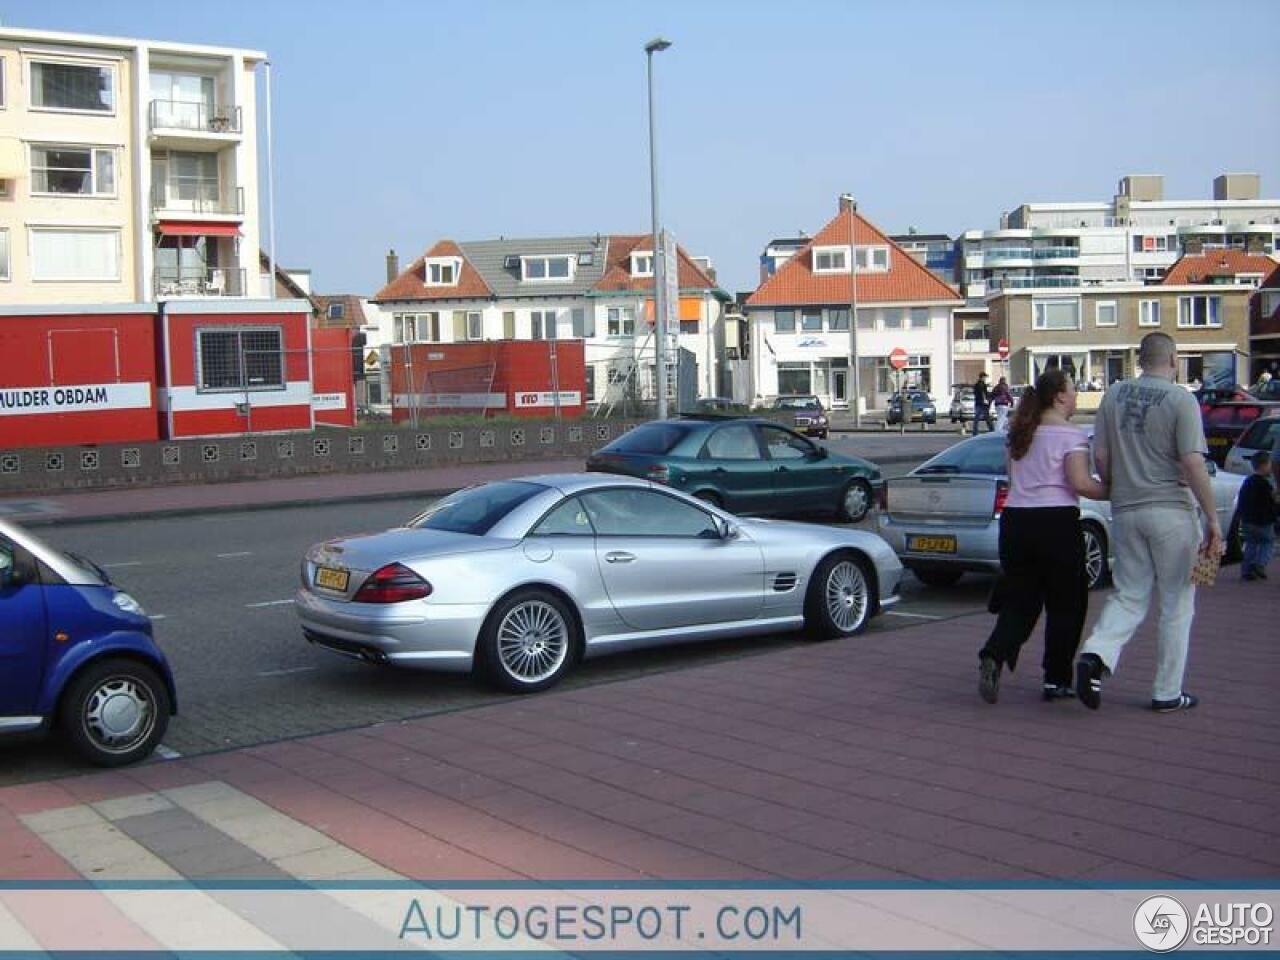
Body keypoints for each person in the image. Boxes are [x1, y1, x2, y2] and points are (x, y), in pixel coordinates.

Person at [1075, 332, 1223, 714]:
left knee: (1129, 594)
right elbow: (1192, 462)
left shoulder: (1114, 395)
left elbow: (1102, 456)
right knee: (1177, 602)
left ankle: (1095, 654)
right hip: (1171, 510)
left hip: (1126, 511)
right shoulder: (1180, 399)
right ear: (1173, 358)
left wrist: (1117, 488)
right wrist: (1212, 519)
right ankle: (1167, 691)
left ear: (1140, 359)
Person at [978, 370, 1108, 704]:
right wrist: (1113, 490)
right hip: (1056, 523)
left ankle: (994, 653)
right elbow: (1080, 483)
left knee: (1021, 599)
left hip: (1016, 521)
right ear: (1060, 397)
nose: (1077, 396)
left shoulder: (1019, 432)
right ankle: (1056, 679)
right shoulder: (1071, 435)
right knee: (1067, 603)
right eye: (1073, 390)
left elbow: (1012, 477)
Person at [1239, 449, 1277, 581]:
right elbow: (1270, 503)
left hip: (1248, 521)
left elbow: (1241, 501)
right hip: (1264, 521)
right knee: (1268, 542)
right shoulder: (1265, 484)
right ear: (1265, 465)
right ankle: (1260, 564)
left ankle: (1246, 570)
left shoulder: (1247, 482)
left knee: (1251, 544)